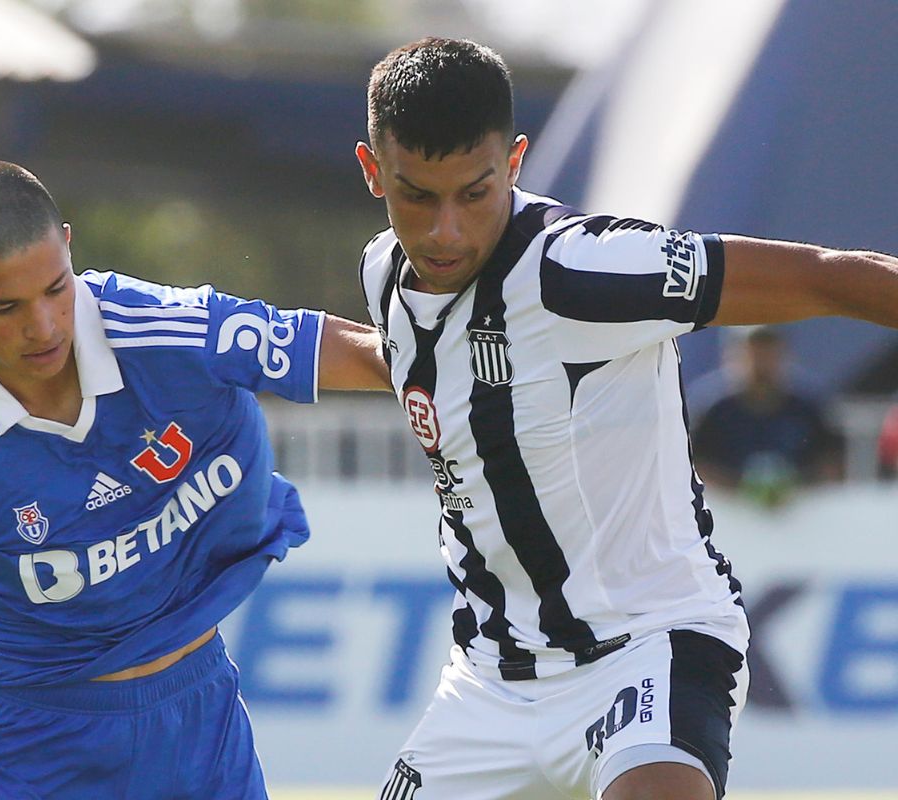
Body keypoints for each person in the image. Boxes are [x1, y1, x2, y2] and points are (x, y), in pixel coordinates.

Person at [352, 37, 898, 800]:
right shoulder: (382, 274)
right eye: (418, 196)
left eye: (474, 194)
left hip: (647, 649)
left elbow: (829, 279)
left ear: (514, 163)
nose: (446, 231)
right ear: (373, 170)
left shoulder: (584, 269)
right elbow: (406, 365)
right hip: (488, 686)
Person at [0, 160, 388, 799]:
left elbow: (362, 353)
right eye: (5, 307)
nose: (44, 326)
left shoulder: (174, 331)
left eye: (57, 288)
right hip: (25, 732)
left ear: (68, 245)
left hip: (196, 713)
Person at [692, 326, 843, 506]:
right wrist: (740, 489)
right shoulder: (712, 408)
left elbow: (832, 461)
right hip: (726, 517)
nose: (761, 362)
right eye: (753, 352)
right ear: (732, 355)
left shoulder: (809, 407)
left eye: (769, 352)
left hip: (798, 516)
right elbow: (694, 465)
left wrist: (793, 489)